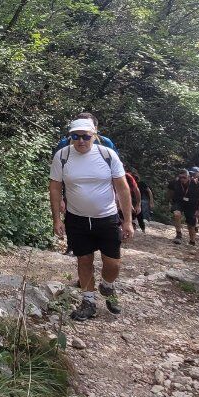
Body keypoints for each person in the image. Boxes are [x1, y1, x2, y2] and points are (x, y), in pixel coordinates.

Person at [49, 117, 134, 320]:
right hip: (77, 218)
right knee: (84, 260)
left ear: (94, 136)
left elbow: (122, 187)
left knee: (112, 263)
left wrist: (128, 220)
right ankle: (88, 301)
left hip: (106, 217)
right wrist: (57, 219)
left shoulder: (107, 154)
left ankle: (108, 285)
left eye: (86, 136)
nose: (81, 141)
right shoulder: (62, 156)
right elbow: (54, 188)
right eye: (76, 136)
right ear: (70, 137)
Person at [168, 169, 199, 246]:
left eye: (184, 177)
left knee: (190, 225)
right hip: (179, 202)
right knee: (176, 214)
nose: (182, 179)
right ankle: (178, 234)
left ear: (189, 177)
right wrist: (168, 202)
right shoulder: (175, 183)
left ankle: (192, 241)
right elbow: (170, 192)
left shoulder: (196, 183)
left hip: (192, 205)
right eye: (180, 177)